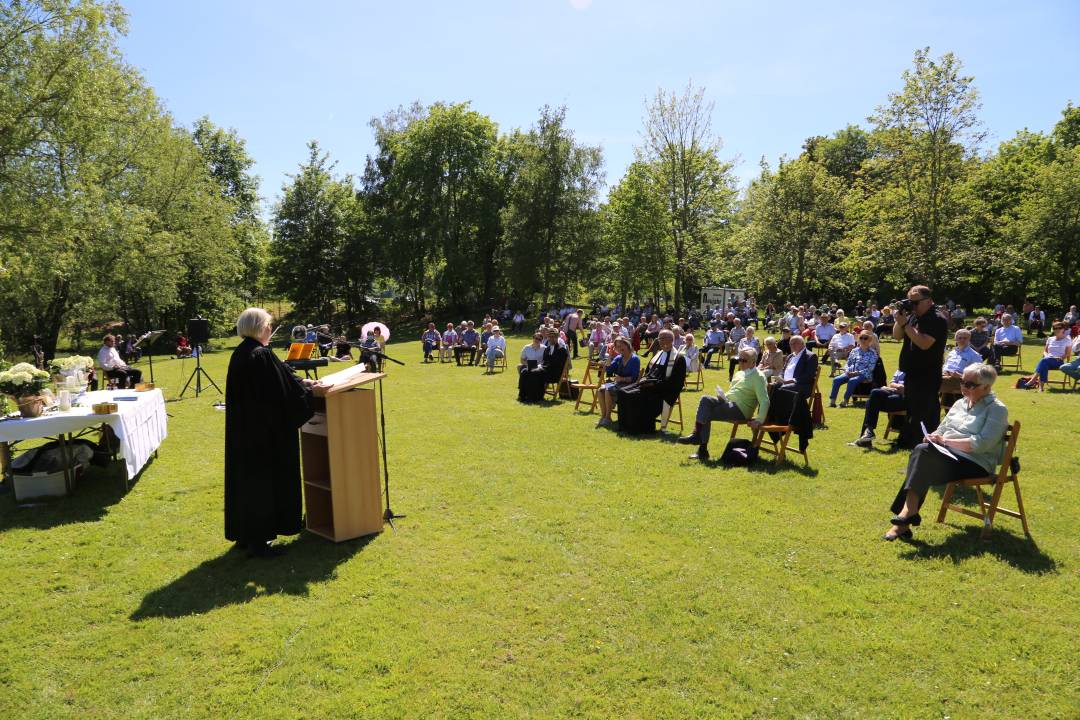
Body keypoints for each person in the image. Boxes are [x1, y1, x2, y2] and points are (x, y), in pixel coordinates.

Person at [225, 308, 321, 557]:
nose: (270, 329)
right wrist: (308, 393)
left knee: (248, 484)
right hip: (264, 434)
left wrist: (303, 383)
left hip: (246, 432)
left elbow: (282, 377)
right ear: (260, 327)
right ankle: (259, 542)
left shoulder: (243, 353)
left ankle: (247, 536)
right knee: (264, 484)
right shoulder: (260, 354)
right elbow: (280, 392)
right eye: (268, 325)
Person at [883, 364, 1007, 541]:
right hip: (948, 456)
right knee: (922, 452)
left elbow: (981, 444)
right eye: (962, 382)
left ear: (987, 387)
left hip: (976, 463)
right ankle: (906, 516)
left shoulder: (997, 409)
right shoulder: (959, 403)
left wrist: (946, 441)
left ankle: (905, 517)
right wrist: (934, 437)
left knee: (922, 457)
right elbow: (942, 429)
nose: (963, 387)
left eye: (970, 384)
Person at [678, 348, 769, 461]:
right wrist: (723, 396)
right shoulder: (739, 373)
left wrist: (759, 420)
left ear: (753, 361)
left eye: (744, 360)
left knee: (707, 412)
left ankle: (700, 444)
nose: (740, 362)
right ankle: (698, 440)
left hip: (741, 410)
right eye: (739, 359)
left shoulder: (758, 377)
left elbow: (765, 400)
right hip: (728, 402)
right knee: (705, 399)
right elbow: (733, 392)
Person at [892, 286, 947, 449]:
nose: (912, 305)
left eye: (916, 302)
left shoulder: (937, 319)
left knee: (925, 409)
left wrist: (906, 324)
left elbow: (923, 343)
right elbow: (897, 336)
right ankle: (910, 440)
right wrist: (900, 319)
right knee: (913, 409)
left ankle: (925, 442)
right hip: (912, 371)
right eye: (910, 302)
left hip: (928, 372)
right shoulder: (913, 317)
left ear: (929, 301)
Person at [615, 329, 686, 435]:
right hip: (647, 385)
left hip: (661, 392)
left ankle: (634, 429)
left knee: (631, 396)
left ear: (671, 340)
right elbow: (649, 372)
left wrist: (654, 384)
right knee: (622, 392)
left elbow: (675, 383)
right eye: (659, 339)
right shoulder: (659, 354)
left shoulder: (678, 359)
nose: (659, 341)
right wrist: (644, 380)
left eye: (662, 339)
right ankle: (623, 426)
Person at [851, 370, 906, 447]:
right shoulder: (900, 370)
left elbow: (909, 389)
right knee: (874, 393)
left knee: (870, 401)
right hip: (894, 392)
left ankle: (867, 436)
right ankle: (868, 433)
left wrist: (896, 388)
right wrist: (896, 387)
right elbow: (892, 383)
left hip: (906, 399)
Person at [596, 336, 640, 427]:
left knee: (608, 389)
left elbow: (635, 378)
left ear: (627, 345)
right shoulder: (618, 358)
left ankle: (608, 418)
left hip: (630, 386)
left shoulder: (635, 359)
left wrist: (622, 379)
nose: (620, 348)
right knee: (600, 390)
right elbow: (608, 370)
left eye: (621, 346)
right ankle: (603, 416)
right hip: (618, 384)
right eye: (617, 347)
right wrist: (610, 356)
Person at [1018, 321, 1072, 390]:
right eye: (1055, 328)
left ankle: (1033, 380)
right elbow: (1045, 351)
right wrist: (1046, 355)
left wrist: (1061, 357)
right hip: (1048, 359)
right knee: (1044, 363)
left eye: (1059, 328)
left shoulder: (1067, 340)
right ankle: (1040, 388)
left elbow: (1068, 353)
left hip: (1059, 361)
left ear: (1063, 329)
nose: (1057, 330)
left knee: (1044, 361)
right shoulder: (1050, 339)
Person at [828, 332, 878, 407]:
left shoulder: (873, 353)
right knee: (836, 379)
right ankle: (832, 402)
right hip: (850, 373)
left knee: (852, 380)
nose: (863, 340)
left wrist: (856, 373)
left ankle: (845, 401)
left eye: (865, 338)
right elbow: (848, 363)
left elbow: (870, 368)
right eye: (861, 338)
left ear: (870, 340)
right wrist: (847, 370)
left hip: (864, 374)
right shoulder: (854, 351)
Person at [939, 329, 983, 396]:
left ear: (969, 340)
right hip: (945, 377)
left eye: (965, 338)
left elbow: (978, 376)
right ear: (956, 339)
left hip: (960, 381)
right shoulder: (952, 353)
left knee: (930, 382)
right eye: (960, 338)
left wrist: (960, 376)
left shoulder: (974, 355)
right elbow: (945, 366)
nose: (962, 340)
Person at [517, 333, 547, 402]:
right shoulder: (526, 347)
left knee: (527, 372)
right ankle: (523, 392)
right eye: (536, 338)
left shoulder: (544, 348)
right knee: (523, 369)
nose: (537, 340)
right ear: (533, 338)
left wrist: (539, 365)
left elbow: (545, 361)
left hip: (539, 367)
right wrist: (527, 364)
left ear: (541, 341)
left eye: (539, 339)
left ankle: (527, 393)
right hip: (528, 365)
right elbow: (522, 359)